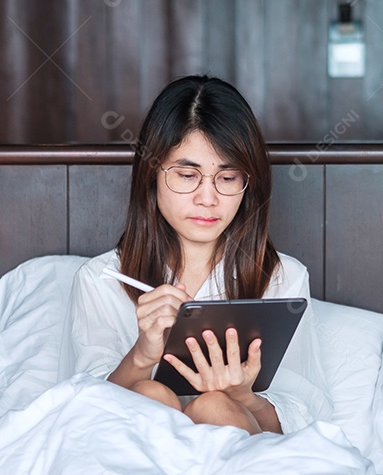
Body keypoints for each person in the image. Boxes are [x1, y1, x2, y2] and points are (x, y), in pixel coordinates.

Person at [60, 75, 330, 435]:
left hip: (240, 449)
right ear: (151, 176)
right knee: (151, 395)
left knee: (216, 406)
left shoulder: (283, 279)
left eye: (228, 177)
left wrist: (243, 396)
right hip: (132, 452)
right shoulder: (101, 279)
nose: (208, 198)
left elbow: (304, 421)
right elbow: (83, 415)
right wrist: (142, 355)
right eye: (187, 175)